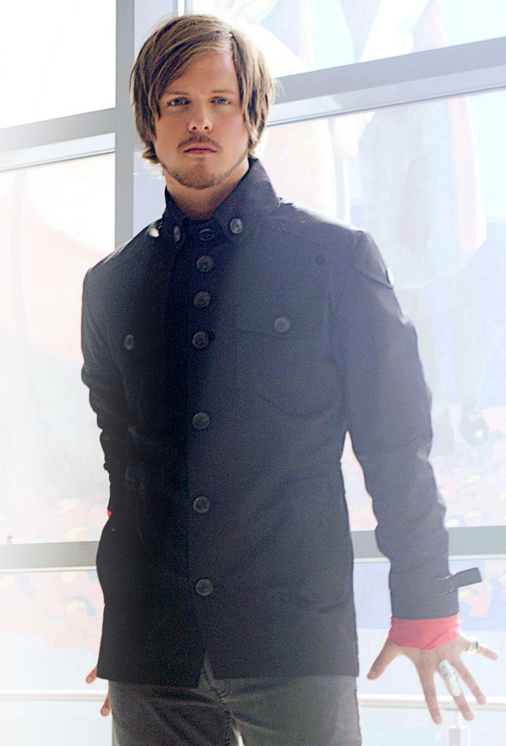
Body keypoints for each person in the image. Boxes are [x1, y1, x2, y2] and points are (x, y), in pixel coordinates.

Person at [81, 13, 497, 746]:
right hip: (152, 652)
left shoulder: (335, 260)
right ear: (150, 118)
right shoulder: (110, 285)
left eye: (222, 100)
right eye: (178, 101)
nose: (200, 120)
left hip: (292, 642)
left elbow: (396, 445)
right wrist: (125, 635)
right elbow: (125, 466)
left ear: (254, 116)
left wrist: (426, 601)